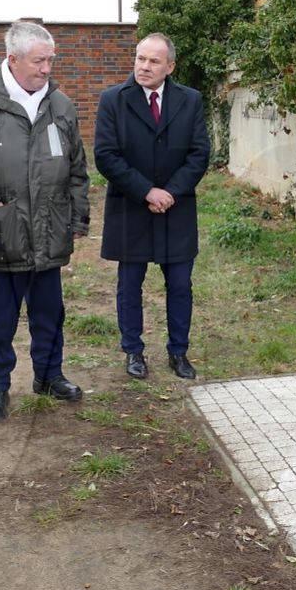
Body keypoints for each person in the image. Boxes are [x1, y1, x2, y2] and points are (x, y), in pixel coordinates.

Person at [0, 21, 89, 423]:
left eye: (50, 60)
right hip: (1, 234)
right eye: (39, 61)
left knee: (50, 314)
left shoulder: (60, 104)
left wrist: (76, 216)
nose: (47, 68)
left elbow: (78, 167)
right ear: (12, 59)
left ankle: (49, 375)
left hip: (49, 233)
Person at [94, 33, 210, 380]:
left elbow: (199, 153)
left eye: (154, 61)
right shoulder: (113, 100)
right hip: (131, 207)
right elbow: (105, 155)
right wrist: (147, 191)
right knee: (129, 284)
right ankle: (133, 351)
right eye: (140, 58)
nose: (144, 66)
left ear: (170, 66)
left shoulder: (190, 100)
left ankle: (179, 352)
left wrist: (170, 192)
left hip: (176, 208)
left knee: (180, 284)